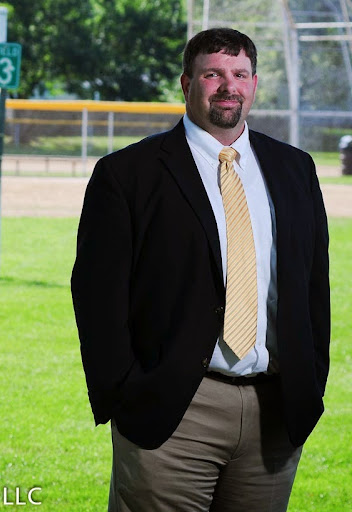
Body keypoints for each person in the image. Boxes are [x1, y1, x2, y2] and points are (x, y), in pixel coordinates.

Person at [71, 28, 330, 512]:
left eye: (240, 75)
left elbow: (313, 286)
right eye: (213, 74)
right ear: (187, 84)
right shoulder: (127, 173)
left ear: (254, 84)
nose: (229, 86)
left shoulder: (296, 168)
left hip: (275, 413)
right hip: (174, 412)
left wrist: (311, 379)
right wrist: (126, 394)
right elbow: (97, 297)